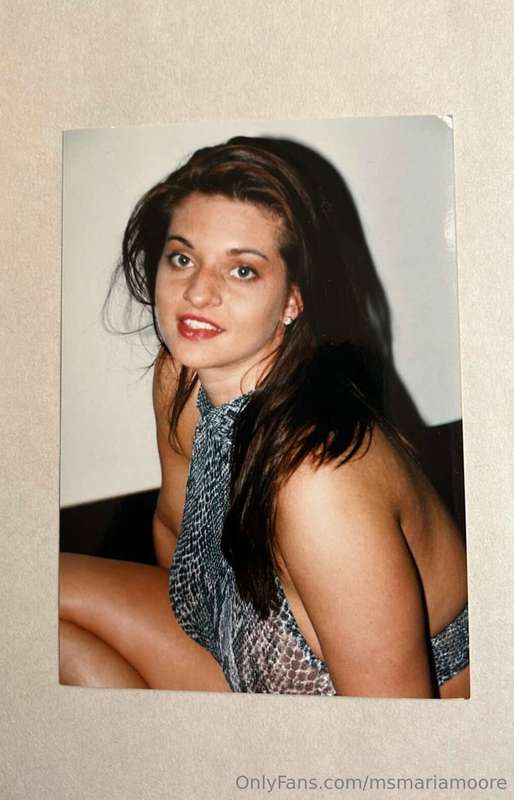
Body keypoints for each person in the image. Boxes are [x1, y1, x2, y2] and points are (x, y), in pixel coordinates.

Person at [59, 137, 469, 697]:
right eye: (183, 258)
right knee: (31, 603)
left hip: (357, 700)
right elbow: (173, 529)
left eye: (242, 271)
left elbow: (394, 726)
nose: (197, 293)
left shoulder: (319, 482)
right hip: (241, 644)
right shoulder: (181, 377)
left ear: (293, 299)